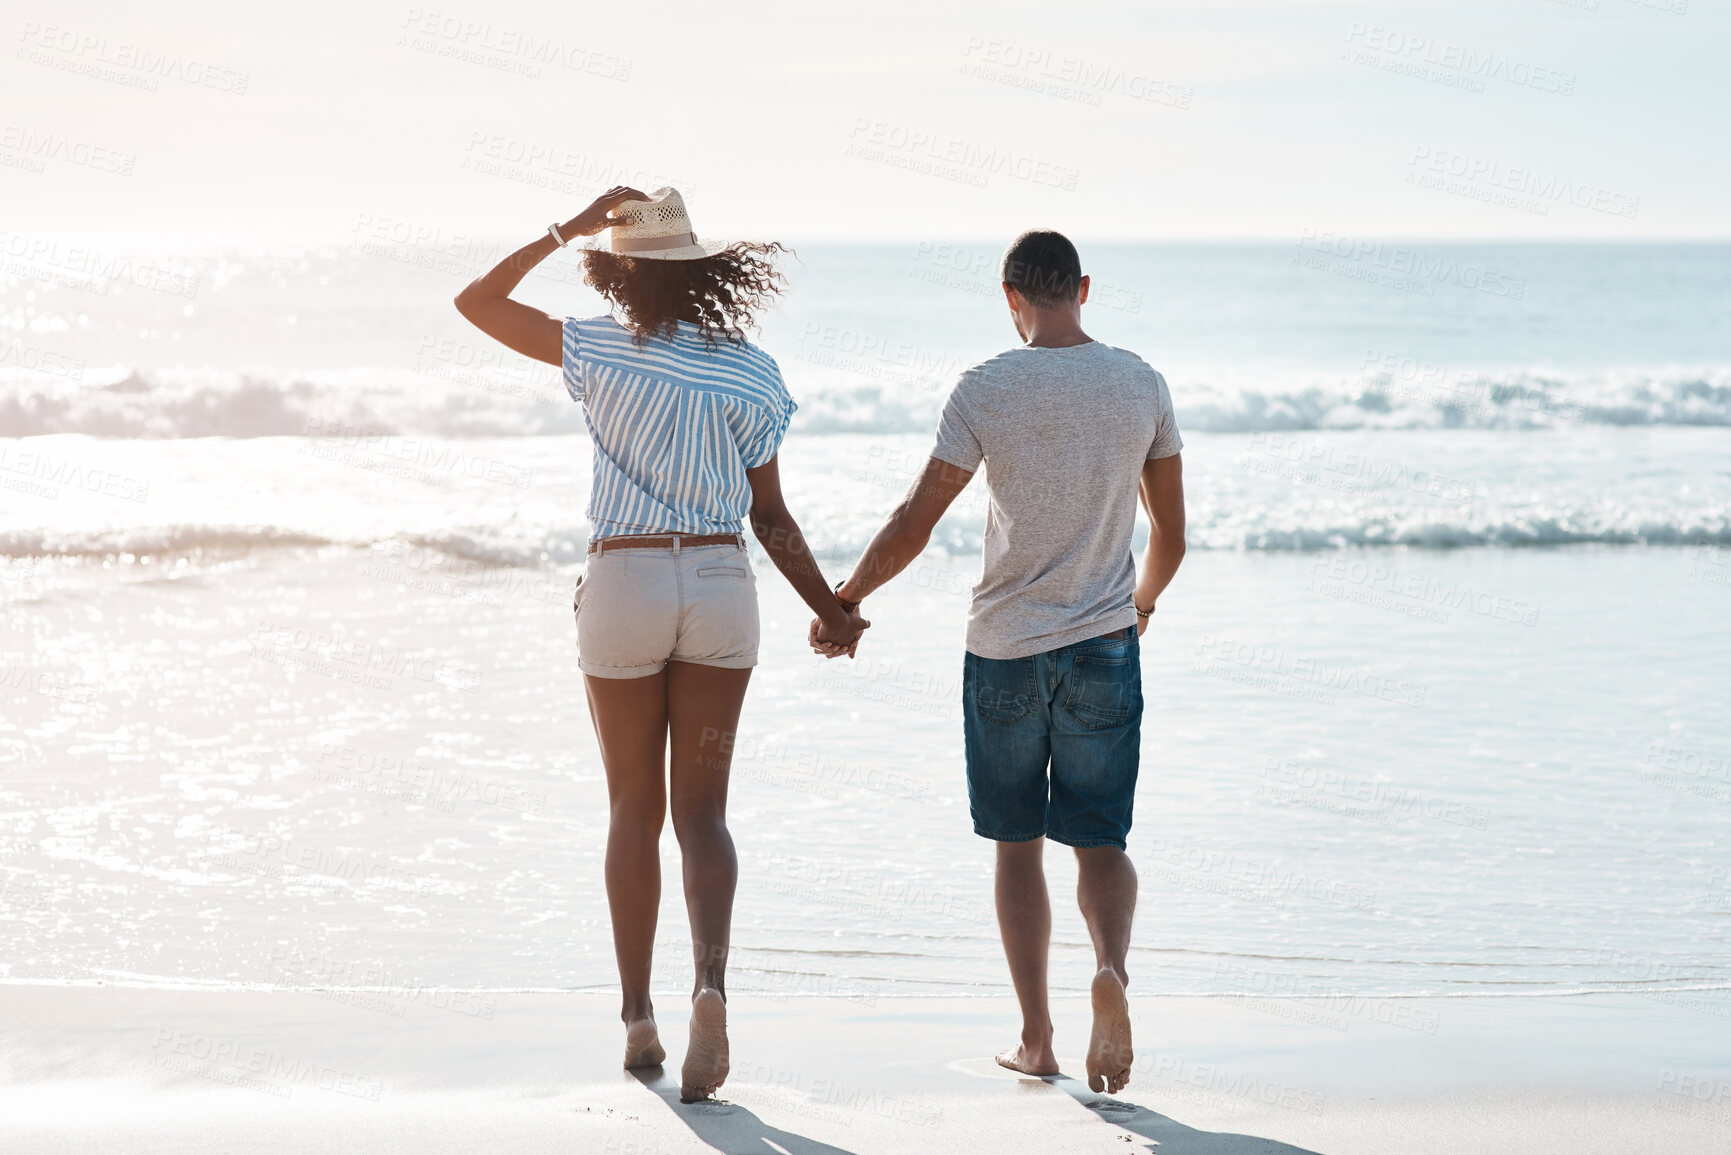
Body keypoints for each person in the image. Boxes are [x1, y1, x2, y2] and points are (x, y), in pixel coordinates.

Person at [454, 186, 868, 1102]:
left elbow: (474, 303)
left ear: (616, 271)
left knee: (632, 807)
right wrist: (830, 611)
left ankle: (638, 1013)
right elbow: (771, 516)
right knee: (705, 815)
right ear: (703, 273)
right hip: (719, 586)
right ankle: (710, 988)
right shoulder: (752, 372)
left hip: (626, 580)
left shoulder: (596, 345)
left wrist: (565, 225)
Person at [815, 229, 1185, 1094]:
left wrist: (847, 599)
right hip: (1103, 643)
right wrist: (1140, 607)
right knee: (1100, 839)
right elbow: (1170, 533)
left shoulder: (984, 387)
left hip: (1005, 651)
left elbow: (917, 516)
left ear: (1009, 295)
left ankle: (1037, 1039)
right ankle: (1111, 971)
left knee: (1016, 847)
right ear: (1082, 288)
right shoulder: (1140, 382)